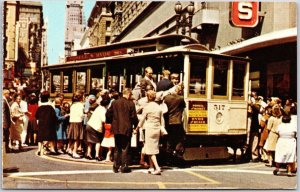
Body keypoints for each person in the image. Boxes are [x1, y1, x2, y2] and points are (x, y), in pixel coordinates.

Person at [106, 88, 138, 173]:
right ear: (129, 94)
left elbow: (108, 114)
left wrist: (111, 122)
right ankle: (124, 166)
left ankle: (116, 166)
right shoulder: (131, 104)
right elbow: (134, 117)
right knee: (125, 148)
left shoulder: (114, 102)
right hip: (127, 128)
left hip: (116, 128)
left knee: (117, 147)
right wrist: (135, 125)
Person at [135, 90, 164, 175]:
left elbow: (142, 120)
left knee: (151, 151)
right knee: (150, 147)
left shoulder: (147, 107)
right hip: (157, 128)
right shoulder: (158, 107)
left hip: (149, 128)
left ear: (148, 97)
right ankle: (151, 167)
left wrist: (136, 129)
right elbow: (162, 120)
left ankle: (157, 167)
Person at [164, 84, 186, 158]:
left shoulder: (167, 98)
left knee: (170, 138)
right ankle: (177, 151)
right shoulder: (180, 98)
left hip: (169, 121)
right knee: (181, 137)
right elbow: (184, 107)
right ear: (179, 91)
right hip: (177, 121)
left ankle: (169, 151)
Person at [35, 91, 58, 155]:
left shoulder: (40, 107)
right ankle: (52, 149)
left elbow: (36, 116)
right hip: (49, 123)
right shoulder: (50, 106)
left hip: (41, 123)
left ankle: (39, 149)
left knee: (41, 136)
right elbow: (54, 116)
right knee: (51, 136)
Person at [67, 91, 85, 159]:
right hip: (78, 122)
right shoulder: (80, 105)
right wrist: (85, 114)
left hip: (72, 121)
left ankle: (70, 149)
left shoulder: (72, 104)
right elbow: (81, 115)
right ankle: (74, 152)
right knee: (77, 138)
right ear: (80, 98)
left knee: (73, 137)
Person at [3, 89, 12, 153]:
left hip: (6, 122)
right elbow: (3, 113)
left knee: (6, 136)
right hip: (4, 122)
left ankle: (6, 148)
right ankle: (5, 149)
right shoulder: (3, 101)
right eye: (8, 94)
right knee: (5, 136)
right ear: (5, 94)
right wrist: (4, 123)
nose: (9, 95)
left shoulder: (5, 100)